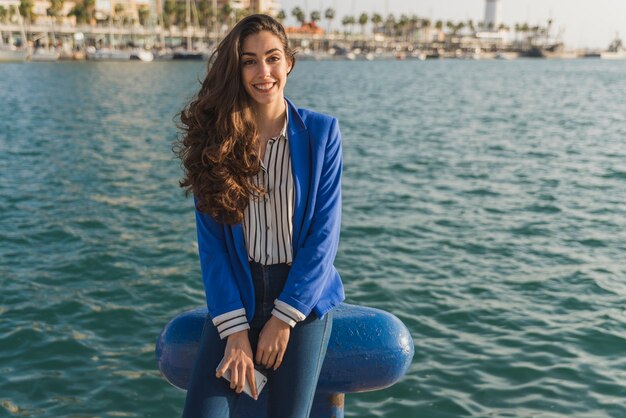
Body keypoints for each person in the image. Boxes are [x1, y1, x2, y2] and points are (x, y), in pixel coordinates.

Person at [175, 14, 345, 418]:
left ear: (289, 62)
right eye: (249, 61)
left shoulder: (322, 134)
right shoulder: (215, 142)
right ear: (237, 70)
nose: (263, 72)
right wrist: (234, 331)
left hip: (303, 299)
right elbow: (213, 248)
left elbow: (323, 236)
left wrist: (283, 319)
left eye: (272, 58)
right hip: (238, 292)